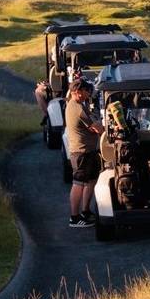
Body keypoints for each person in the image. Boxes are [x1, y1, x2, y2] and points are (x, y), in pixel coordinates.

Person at [63, 82, 104, 228]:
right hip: (81, 153)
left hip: (88, 151)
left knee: (91, 181)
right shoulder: (78, 108)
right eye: (87, 91)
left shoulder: (75, 104)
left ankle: (85, 211)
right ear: (78, 91)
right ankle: (74, 218)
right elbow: (97, 129)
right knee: (78, 183)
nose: (89, 94)